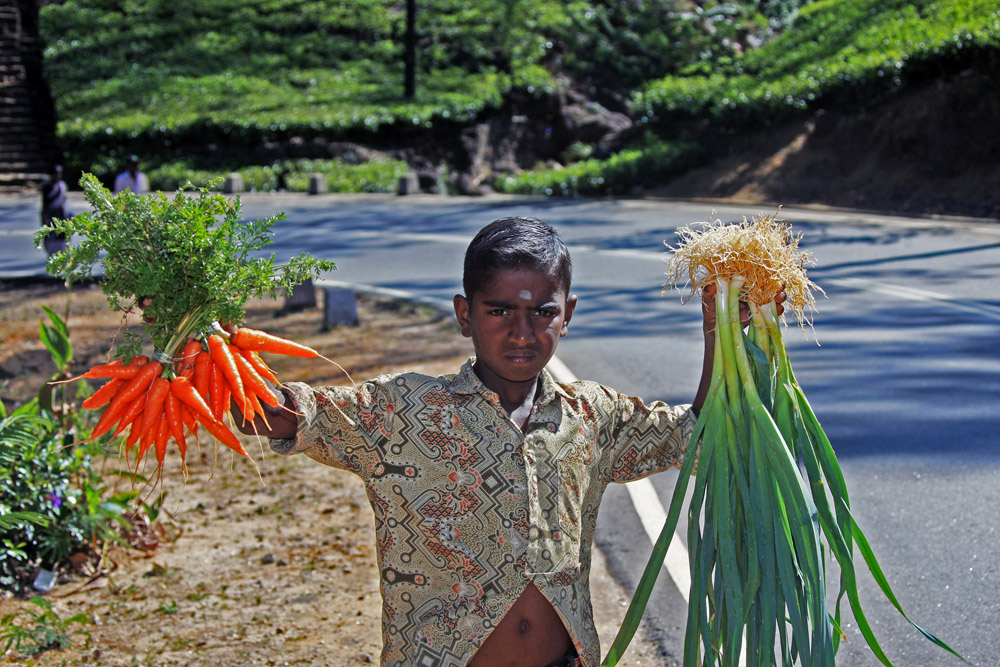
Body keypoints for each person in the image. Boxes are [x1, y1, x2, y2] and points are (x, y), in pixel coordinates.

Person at [233, 216, 782, 667]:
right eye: (500, 311)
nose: (522, 332)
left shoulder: (592, 415)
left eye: (542, 312)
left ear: (566, 316)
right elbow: (279, 412)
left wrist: (723, 329)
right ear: (464, 314)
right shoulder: (401, 411)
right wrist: (205, 355)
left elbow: (699, 435)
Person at [40, 164, 69, 258]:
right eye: (56, 174)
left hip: (61, 214)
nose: (58, 176)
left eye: (59, 174)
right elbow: (45, 203)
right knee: (51, 235)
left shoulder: (62, 185)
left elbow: (64, 200)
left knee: (62, 234)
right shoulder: (47, 187)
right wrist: (46, 217)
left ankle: (63, 255)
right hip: (51, 214)